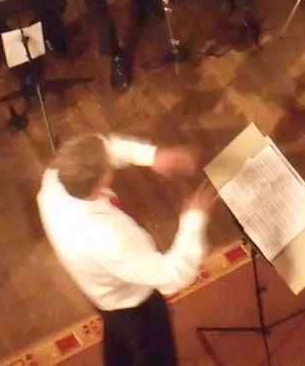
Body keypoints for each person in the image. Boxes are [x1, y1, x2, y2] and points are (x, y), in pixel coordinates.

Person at [38, 134, 214, 366]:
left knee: (119, 343)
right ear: (103, 181)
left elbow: (106, 148)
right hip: (135, 306)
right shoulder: (106, 239)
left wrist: (154, 156)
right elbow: (172, 275)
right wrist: (194, 218)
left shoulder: (53, 183)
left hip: (105, 296)